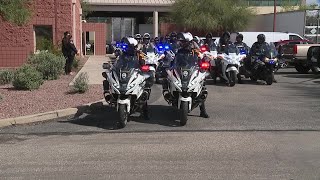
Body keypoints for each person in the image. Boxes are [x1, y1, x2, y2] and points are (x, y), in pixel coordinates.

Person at [166, 32, 209, 118]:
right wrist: (168, 58)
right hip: (179, 68)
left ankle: (203, 111)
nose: (181, 42)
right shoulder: (178, 48)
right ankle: (168, 93)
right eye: (181, 41)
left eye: (184, 41)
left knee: (202, 86)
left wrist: (203, 61)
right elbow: (171, 56)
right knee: (167, 78)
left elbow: (201, 57)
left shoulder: (195, 48)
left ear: (188, 41)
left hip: (192, 69)